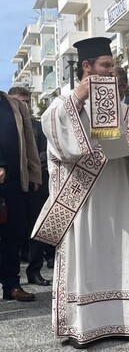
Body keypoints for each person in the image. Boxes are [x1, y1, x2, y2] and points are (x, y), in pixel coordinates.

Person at [32, 37, 129, 348]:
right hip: (81, 197)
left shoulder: (122, 107)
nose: (112, 73)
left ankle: (124, 319)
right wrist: (79, 99)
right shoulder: (60, 104)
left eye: (113, 67)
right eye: (105, 66)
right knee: (84, 255)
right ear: (87, 67)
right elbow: (65, 147)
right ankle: (82, 325)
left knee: (117, 251)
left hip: (115, 194)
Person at [8, 87, 54, 287]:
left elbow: (46, 152)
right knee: (13, 231)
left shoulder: (38, 126)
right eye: (20, 101)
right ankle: (11, 277)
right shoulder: (5, 125)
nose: (24, 105)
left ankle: (34, 271)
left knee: (37, 230)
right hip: (12, 184)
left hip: (36, 185)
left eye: (27, 101)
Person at [0, 88, 41, 302]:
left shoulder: (14, 105)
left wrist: (35, 173)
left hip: (16, 181)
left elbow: (29, 141)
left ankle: (11, 285)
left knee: (15, 234)